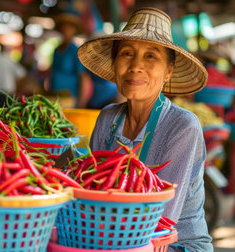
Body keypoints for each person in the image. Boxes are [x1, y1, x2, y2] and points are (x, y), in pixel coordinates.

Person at [79, 7, 213, 251]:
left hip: (175, 243)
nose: (136, 66)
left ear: (168, 70)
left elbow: (161, 222)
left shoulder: (183, 125)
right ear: (115, 61)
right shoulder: (107, 118)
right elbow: (89, 192)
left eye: (151, 56)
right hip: (113, 237)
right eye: (127, 53)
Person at [49, 11, 91, 108]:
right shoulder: (56, 50)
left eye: (69, 26)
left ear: (74, 30)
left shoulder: (75, 50)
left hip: (70, 98)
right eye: (64, 26)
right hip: (54, 95)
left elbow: (83, 77)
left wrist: (81, 102)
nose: (66, 29)